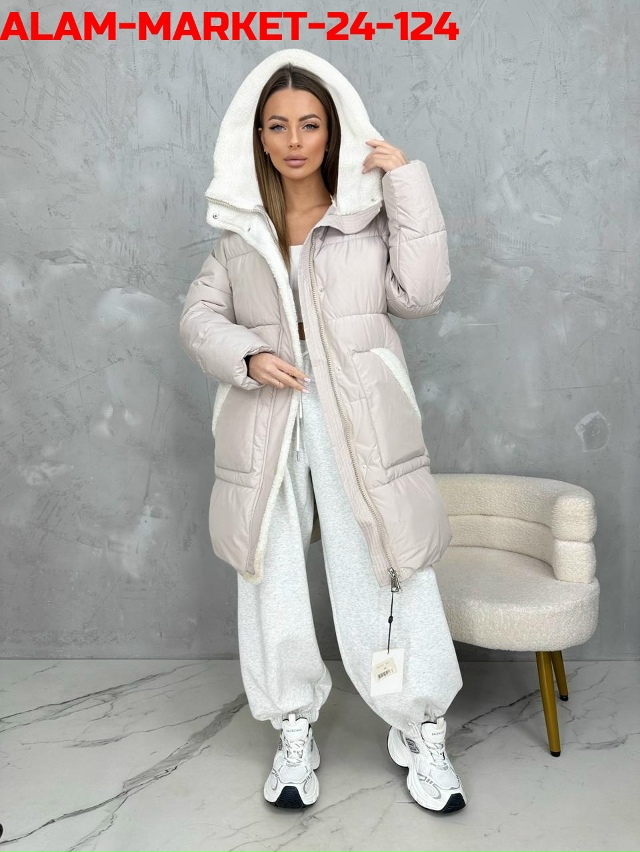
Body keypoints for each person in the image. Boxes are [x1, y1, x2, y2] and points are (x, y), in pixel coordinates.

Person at [179, 49, 466, 814]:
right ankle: (293, 726)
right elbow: (198, 318)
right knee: (269, 570)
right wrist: (249, 355)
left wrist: (406, 183)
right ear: (259, 138)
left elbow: (422, 292)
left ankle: (419, 726)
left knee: (386, 563)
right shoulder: (241, 235)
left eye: (310, 124)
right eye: (278, 126)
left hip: (358, 417)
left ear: (332, 132)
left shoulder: (365, 220)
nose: (295, 140)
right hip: (267, 419)